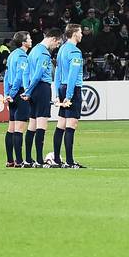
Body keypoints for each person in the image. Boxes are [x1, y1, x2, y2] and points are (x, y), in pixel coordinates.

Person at [21, 28, 62, 167]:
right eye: (57, 44)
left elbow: (26, 72)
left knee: (32, 124)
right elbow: (38, 74)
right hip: (42, 88)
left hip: (33, 89)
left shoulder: (34, 50)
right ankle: (39, 160)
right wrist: (29, 91)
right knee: (41, 124)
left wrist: (27, 89)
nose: (56, 47)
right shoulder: (44, 54)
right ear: (53, 39)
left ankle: (27, 159)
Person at [51, 24, 85, 168]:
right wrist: (70, 95)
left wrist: (57, 92)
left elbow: (57, 72)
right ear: (75, 33)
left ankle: (57, 159)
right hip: (72, 89)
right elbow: (73, 74)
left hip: (62, 87)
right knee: (71, 125)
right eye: (80, 32)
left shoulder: (62, 49)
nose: (82, 34)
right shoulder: (75, 52)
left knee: (61, 124)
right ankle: (69, 161)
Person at [2, 31, 31, 168]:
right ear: (24, 42)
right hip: (19, 93)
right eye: (29, 38)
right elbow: (20, 77)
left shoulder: (11, 55)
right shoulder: (22, 56)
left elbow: (6, 76)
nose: (31, 40)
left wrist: (7, 94)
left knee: (11, 128)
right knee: (19, 129)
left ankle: (10, 160)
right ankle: (19, 161)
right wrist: (12, 94)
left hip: (12, 94)